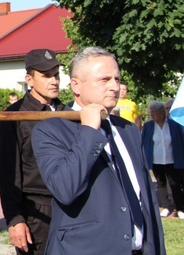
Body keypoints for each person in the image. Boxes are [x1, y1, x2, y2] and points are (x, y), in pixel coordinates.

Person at [32, 47, 165, 255]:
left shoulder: (127, 129)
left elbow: (145, 196)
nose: (114, 86)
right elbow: (65, 189)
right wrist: (89, 131)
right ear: (76, 85)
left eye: (117, 79)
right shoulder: (51, 129)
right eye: (104, 80)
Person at [0, 48, 67, 254]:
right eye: (46, 76)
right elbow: (7, 174)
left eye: (56, 75)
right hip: (36, 212)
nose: (53, 81)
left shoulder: (68, 113)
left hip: (70, 208)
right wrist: (14, 219)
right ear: (29, 79)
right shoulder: (14, 116)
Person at [140, 101, 184, 219]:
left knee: (175, 183)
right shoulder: (148, 126)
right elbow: (144, 142)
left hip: (172, 159)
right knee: (160, 183)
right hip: (156, 159)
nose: (152, 115)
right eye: (151, 112)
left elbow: (179, 142)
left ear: (162, 112)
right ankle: (166, 206)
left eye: (154, 112)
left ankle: (180, 208)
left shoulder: (174, 125)